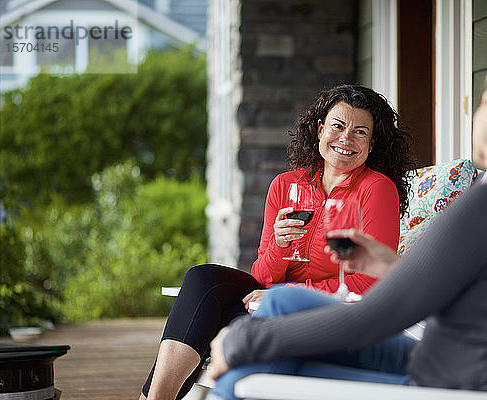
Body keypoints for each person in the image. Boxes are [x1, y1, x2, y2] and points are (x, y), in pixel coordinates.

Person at [206, 49, 487, 399]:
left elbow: (373, 318)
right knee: (285, 300)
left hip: (439, 384)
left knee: (252, 367)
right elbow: (485, 292)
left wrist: (240, 340)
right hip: (445, 361)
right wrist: (390, 265)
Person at [139, 84, 415, 399]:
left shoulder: (376, 188)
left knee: (203, 319)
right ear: (320, 129)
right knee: (203, 279)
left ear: (372, 143)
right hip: (268, 303)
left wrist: (287, 294)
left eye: (360, 132)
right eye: (337, 126)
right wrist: (279, 249)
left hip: (322, 314)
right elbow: (263, 276)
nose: (346, 138)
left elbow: (370, 281)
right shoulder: (286, 185)